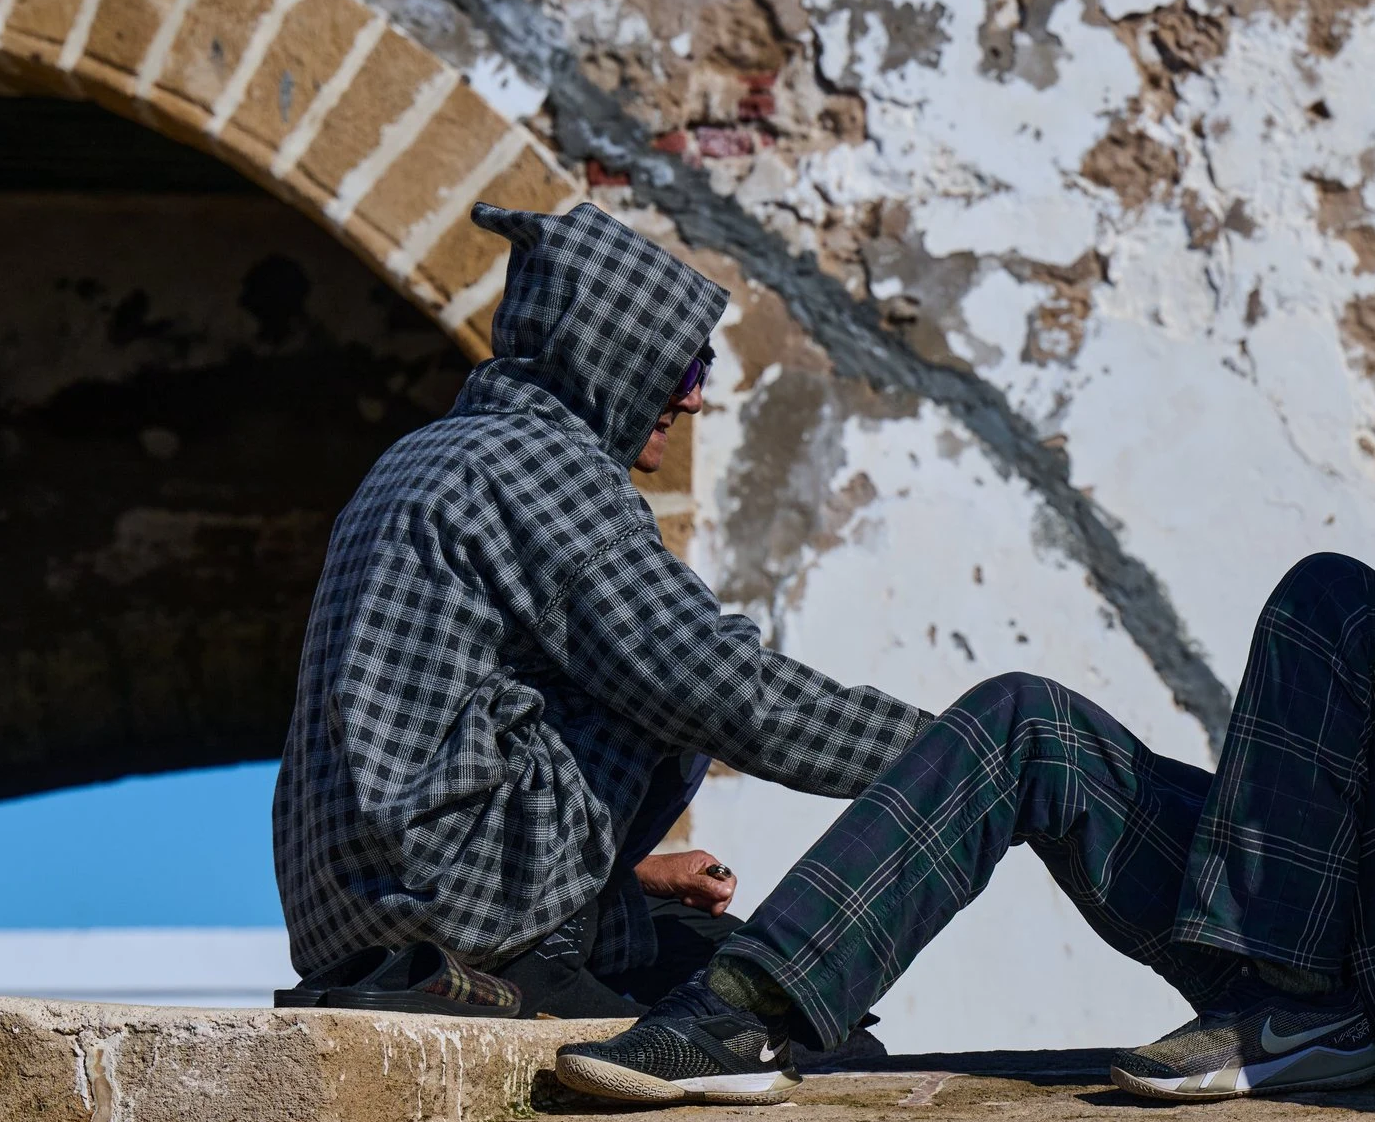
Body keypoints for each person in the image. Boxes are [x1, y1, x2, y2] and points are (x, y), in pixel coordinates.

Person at [553, 349, 1375, 1106]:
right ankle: (745, 1013)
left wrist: (1330, 770)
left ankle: (1291, 1014)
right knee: (1026, 722)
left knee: (1331, 597)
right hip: (1335, 937)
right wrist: (1291, 803)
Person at [272, 202, 926, 1022]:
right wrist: (951, 757)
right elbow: (717, 683)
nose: (691, 402)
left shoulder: (428, 451)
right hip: (456, 907)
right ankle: (538, 951)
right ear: (609, 359)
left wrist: (633, 875)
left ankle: (567, 926)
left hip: (361, 915)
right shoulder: (540, 463)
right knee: (665, 666)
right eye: (681, 371)